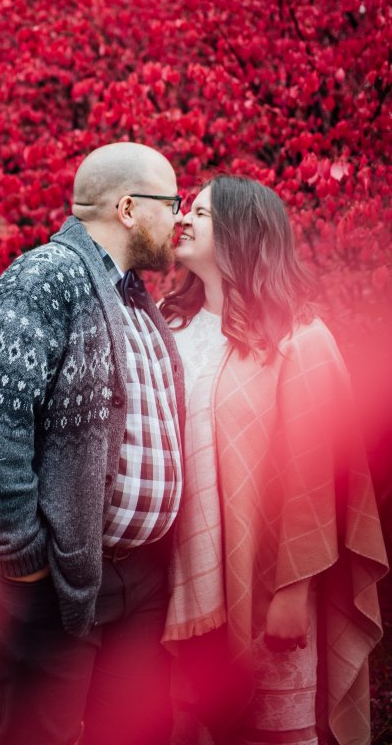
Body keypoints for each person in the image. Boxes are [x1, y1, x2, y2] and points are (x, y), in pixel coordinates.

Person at [0, 142, 186, 745]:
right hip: (48, 576)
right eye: (172, 202)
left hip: (133, 579)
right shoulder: (42, 279)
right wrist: (26, 564)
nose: (180, 218)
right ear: (129, 208)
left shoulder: (131, 294)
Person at [160, 175, 388, 745]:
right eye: (185, 207)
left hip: (266, 581)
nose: (183, 217)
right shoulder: (167, 327)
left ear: (243, 233)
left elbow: (316, 472)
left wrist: (293, 591)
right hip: (171, 579)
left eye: (203, 213)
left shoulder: (299, 338)